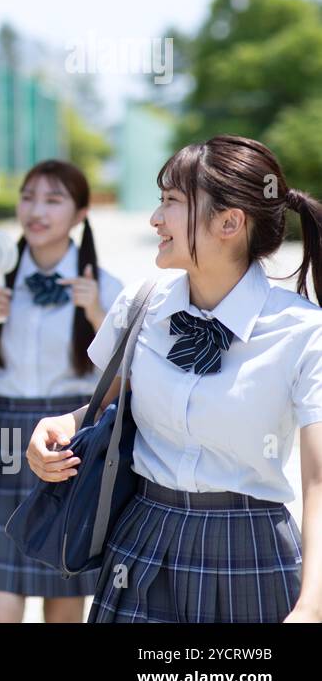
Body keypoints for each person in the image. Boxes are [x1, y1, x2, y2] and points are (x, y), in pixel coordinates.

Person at [29, 135, 322, 623]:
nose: (154, 219)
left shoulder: (303, 332)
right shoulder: (142, 305)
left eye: (171, 202)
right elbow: (104, 407)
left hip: (250, 552)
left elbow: (319, 479)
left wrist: (312, 605)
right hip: (142, 540)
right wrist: (60, 423)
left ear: (230, 222)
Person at [0, 160, 123, 622]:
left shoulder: (106, 288)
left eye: (53, 199)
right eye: (28, 197)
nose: (36, 210)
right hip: (5, 440)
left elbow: (126, 383)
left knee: (63, 597)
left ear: (81, 213)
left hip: (69, 440)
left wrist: (95, 314)